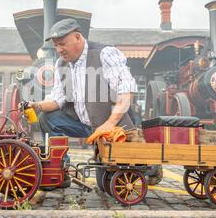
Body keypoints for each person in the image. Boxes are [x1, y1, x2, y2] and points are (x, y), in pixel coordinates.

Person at [27, 18, 163, 187]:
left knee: (106, 186)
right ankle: (61, 171)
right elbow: (57, 99)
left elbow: (126, 90)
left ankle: (149, 165)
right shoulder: (61, 63)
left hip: (112, 126)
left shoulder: (105, 53)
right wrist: (37, 106)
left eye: (62, 43)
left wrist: (109, 124)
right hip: (83, 124)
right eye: (55, 45)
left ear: (77, 37)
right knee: (46, 118)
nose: (59, 50)